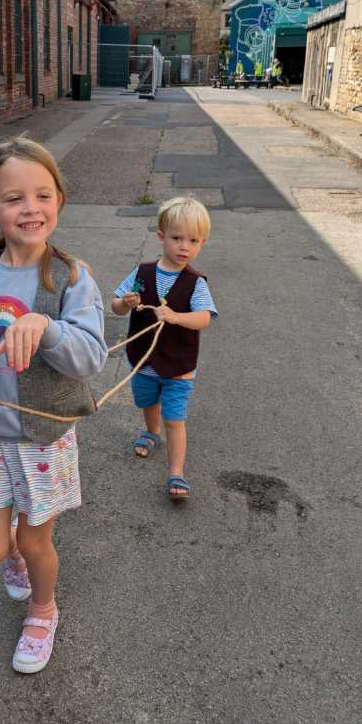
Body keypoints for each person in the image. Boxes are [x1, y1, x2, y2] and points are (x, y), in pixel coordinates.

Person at [0, 137, 107, 674]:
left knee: (36, 538)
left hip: (43, 437)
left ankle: (43, 611)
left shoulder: (70, 278)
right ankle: (13, 558)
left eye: (42, 195)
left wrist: (47, 326)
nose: (30, 208)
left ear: (59, 199)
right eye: (13, 198)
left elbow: (90, 357)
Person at [111, 197, 217, 500]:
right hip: (143, 360)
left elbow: (203, 319)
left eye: (194, 240)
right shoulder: (142, 273)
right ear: (161, 237)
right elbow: (116, 305)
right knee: (147, 402)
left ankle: (176, 473)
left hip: (179, 367)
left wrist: (175, 316)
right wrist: (125, 302)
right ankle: (150, 432)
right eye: (177, 238)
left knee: (175, 418)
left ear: (202, 243)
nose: (185, 246)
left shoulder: (196, 283)